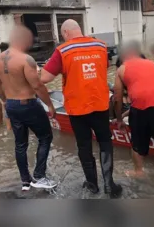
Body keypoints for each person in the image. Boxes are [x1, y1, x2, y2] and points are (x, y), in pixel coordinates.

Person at [41, 19, 122, 198]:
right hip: (100, 104)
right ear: (80, 30)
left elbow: (45, 77)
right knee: (105, 142)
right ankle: (109, 184)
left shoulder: (63, 51)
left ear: (65, 34)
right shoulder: (101, 46)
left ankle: (92, 184)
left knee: (84, 145)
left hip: (78, 108)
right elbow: (103, 67)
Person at [0, 25, 57, 191]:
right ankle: (39, 176)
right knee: (45, 137)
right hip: (28, 104)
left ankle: (25, 181)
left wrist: (6, 100)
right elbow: (37, 85)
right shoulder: (26, 59)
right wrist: (49, 105)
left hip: (12, 105)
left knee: (20, 144)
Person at [114, 40, 154, 181]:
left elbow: (117, 98)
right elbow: (153, 94)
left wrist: (119, 119)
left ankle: (139, 171)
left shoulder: (122, 69)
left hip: (142, 107)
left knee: (138, 143)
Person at [0, 42, 12, 131]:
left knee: (6, 106)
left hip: (3, 88)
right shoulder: (11, 59)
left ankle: (8, 128)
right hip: (12, 88)